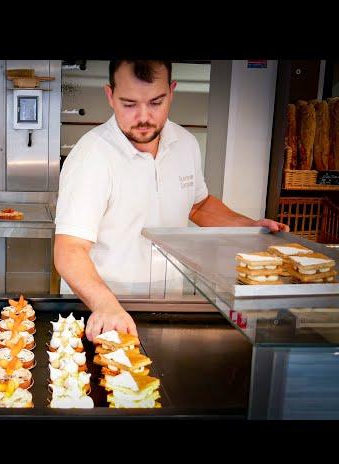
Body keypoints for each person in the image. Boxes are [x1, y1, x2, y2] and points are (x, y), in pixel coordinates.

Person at [54, 60, 288, 341]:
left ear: (171, 92)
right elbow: (69, 249)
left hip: (169, 304)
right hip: (104, 312)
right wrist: (106, 305)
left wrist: (249, 227)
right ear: (110, 96)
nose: (143, 116)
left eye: (156, 102)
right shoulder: (92, 156)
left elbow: (198, 205)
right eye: (129, 104)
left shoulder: (185, 144)